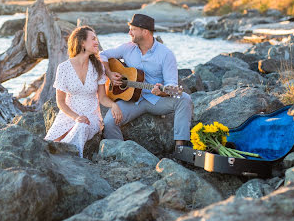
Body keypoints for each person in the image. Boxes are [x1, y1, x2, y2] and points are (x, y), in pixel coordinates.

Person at [99, 13, 193, 147]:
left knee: (184, 99)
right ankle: (121, 152)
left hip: (156, 100)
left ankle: (180, 147)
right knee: (109, 122)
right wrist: (109, 73)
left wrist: (162, 92)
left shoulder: (166, 54)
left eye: (133, 29)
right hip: (132, 100)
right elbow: (102, 54)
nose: (129, 32)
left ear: (145, 32)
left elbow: (172, 84)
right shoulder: (127, 47)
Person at [44, 26, 123, 157]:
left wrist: (114, 105)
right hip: (69, 116)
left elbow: (102, 98)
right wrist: (76, 117)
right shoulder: (63, 68)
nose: (96, 42)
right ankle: (57, 154)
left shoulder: (98, 67)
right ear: (82, 42)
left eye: (96, 38)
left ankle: (67, 156)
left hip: (91, 117)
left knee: (82, 126)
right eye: (93, 39)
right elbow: (60, 102)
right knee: (49, 142)